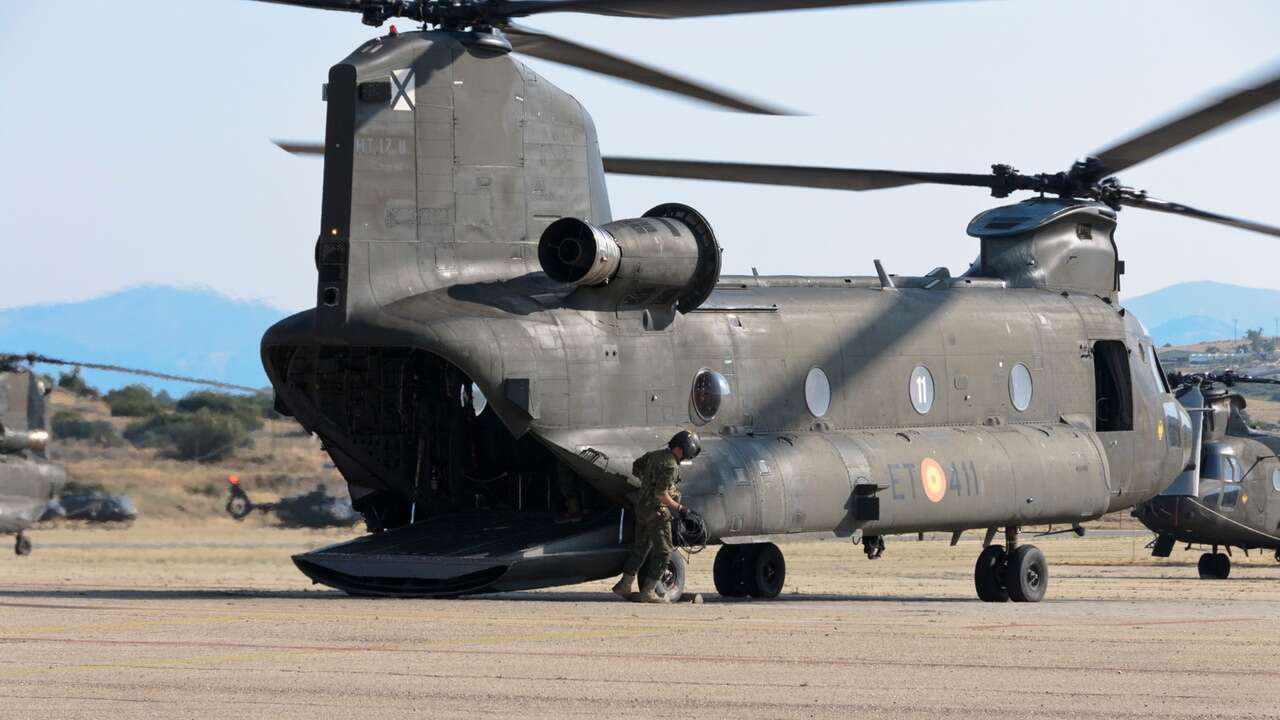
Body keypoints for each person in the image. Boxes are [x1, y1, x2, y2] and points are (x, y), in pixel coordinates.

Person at [612, 430, 701, 603]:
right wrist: (681, 509)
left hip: (642, 508)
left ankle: (624, 584)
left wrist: (648, 481)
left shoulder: (654, 455)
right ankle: (649, 591)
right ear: (683, 449)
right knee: (664, 551)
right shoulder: (671, 466)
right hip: (657, 512)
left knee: (641, 548)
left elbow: (636, 466)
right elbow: (661, 495)